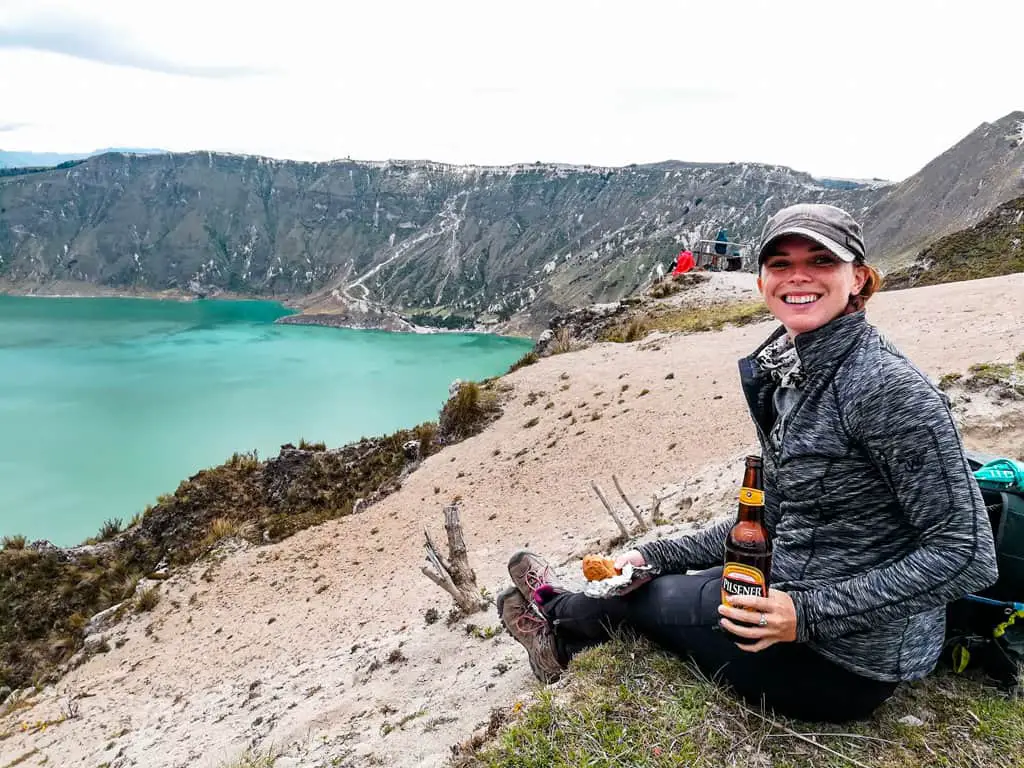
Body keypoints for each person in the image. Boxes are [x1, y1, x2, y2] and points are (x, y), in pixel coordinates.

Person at [496, 203, 999, 723]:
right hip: (791, 582)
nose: (798, 276)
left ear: (859, 280)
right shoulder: (792, 371)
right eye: (780, 263)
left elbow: (967, 554)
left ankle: (553, 615)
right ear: (762, 281)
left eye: (822, 260)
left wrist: (803, 615)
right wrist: (655, 553)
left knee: (639, 602)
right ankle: (569, 627)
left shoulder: (886, 389)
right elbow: (775, 518)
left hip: (841, 665)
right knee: (643, 578)